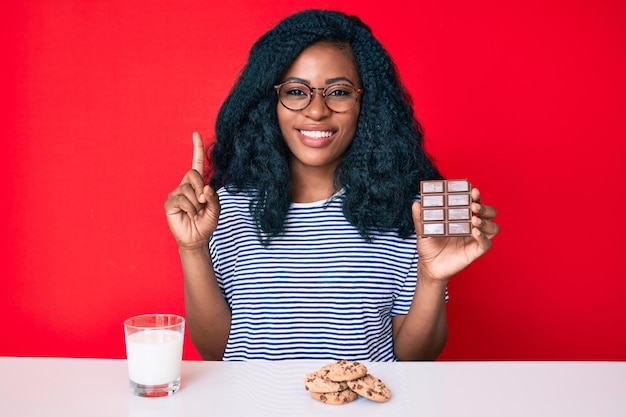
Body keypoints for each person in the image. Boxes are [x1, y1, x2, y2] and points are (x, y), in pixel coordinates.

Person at [164, 9, 499, 361]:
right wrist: (193, 249)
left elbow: (415, 361)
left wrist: (432, 279)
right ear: (269, 104)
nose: (316, 111)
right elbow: (217, 354)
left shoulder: (408, 211)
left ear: (366, 103)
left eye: (338, 92)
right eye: (296, 91)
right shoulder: (225, 209)